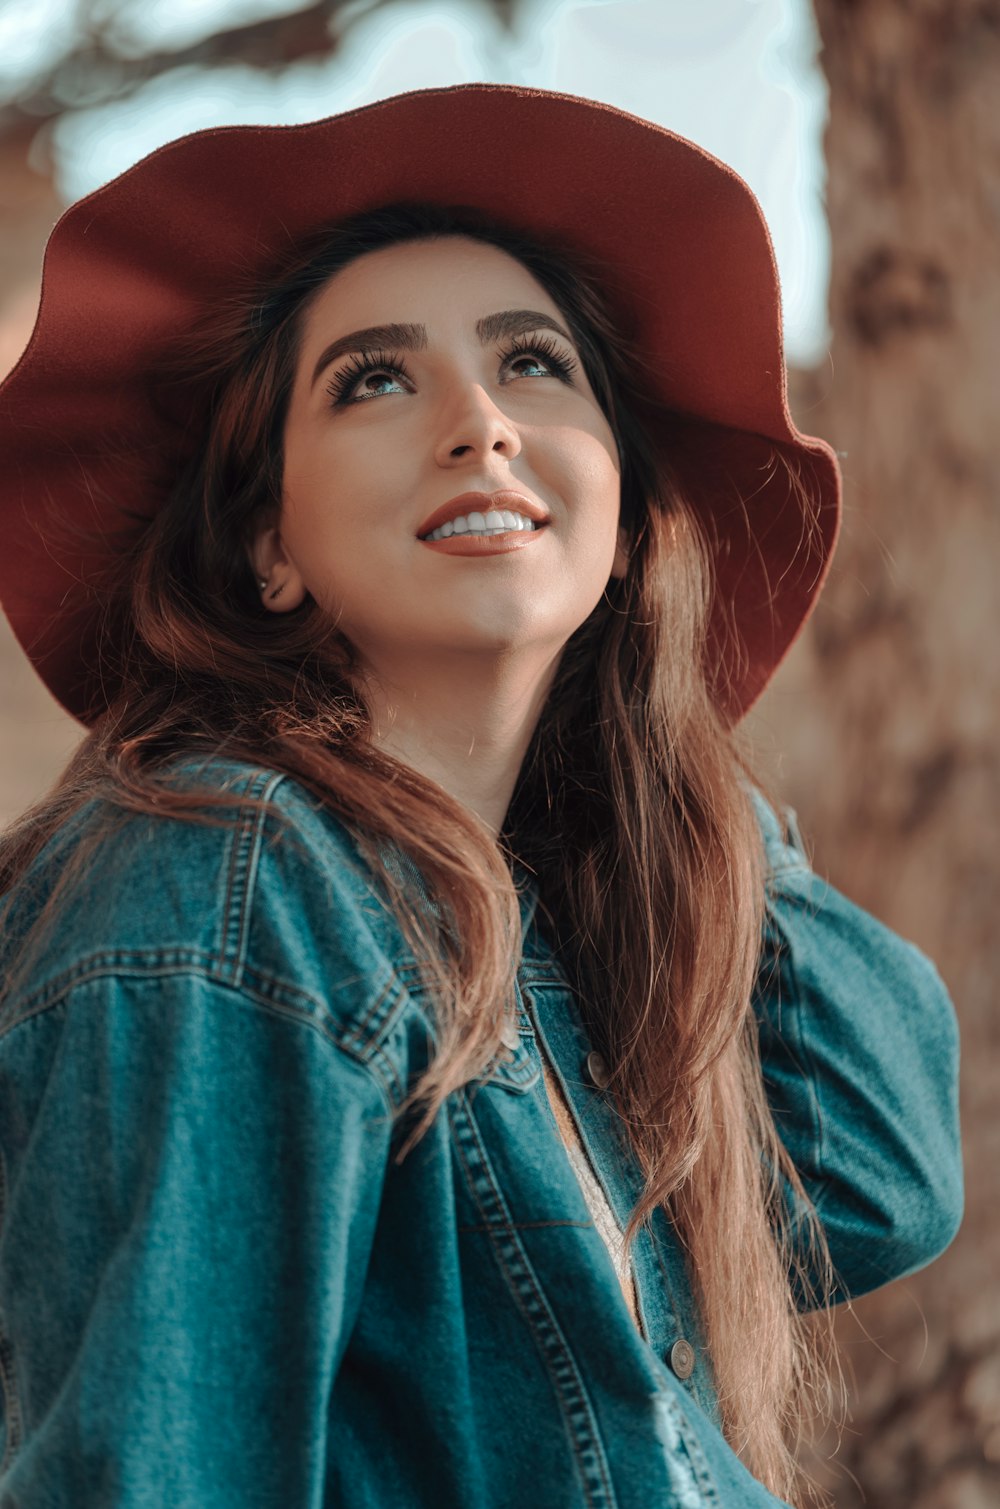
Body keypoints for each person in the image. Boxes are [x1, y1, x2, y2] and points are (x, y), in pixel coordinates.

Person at [0, 84, 961, 1509]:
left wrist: (649, 764)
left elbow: (881, 1167)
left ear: (627, 521)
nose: (479, 425)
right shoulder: (229, 873)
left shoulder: (559, 948)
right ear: (268, 543)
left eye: (535, 367)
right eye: (374, 379)